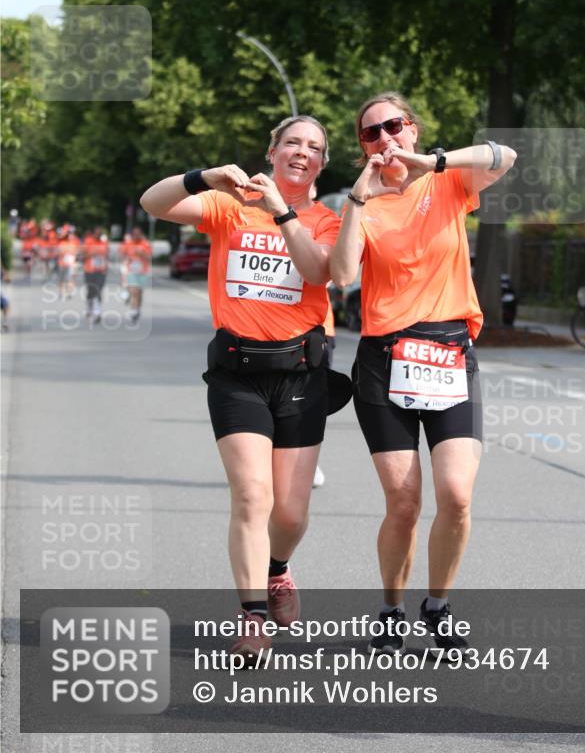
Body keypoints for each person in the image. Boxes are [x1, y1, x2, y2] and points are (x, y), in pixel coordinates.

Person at [140, 115, 346, 665]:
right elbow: (153, 203)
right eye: (292, 143)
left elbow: (318, 272)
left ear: (321, 164)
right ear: (272, 151)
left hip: (302, 375)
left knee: (291, 512)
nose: (302, 153)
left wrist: (282, 210)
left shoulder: (327, 220)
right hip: (237, 373)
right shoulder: (230, 207)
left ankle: (278, 568)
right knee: (253, 494)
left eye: (314, 148)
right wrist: (206, 176)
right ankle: (253, 614)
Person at [330, 92, 516, 656]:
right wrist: (358, 200)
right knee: (405, 502)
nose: (383, 138)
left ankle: (438, 605)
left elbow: (504, 155)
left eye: (392, 126)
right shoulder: (361, 205)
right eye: (370, 133)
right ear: (362, 147)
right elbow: (340, 276)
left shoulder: (447, 183)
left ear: (411, 129)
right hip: (384, 362)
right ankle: (391, 609)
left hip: (449, 354)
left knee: (456, 495)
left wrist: (433, 162)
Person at [82, 227, 110, 323]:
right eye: (96, 234)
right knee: (90, 291)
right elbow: (81, 256)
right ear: (93, 234)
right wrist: (90, 254)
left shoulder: (104, 243)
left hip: (101, 271)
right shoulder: (88, 241)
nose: (98, 236)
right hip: (89, 270)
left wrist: (106, 268)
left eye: (100, 234)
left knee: (98, 290)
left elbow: (107, 256)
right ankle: (89, 308)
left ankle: (97, 312)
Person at [123, 227, 152, 322]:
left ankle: (138, 308)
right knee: (133, 291)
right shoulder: (128, 244)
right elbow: (123, 255)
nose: (136, 236)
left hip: (142, 272)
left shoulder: (145, 244)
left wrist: (142, 254)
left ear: (140, 234)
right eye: (134, 234)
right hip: (132, 271)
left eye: (138, 234)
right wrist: (127, 260)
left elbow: (149, 258)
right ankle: (133, 311)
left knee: (139, 293)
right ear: (132, 235)